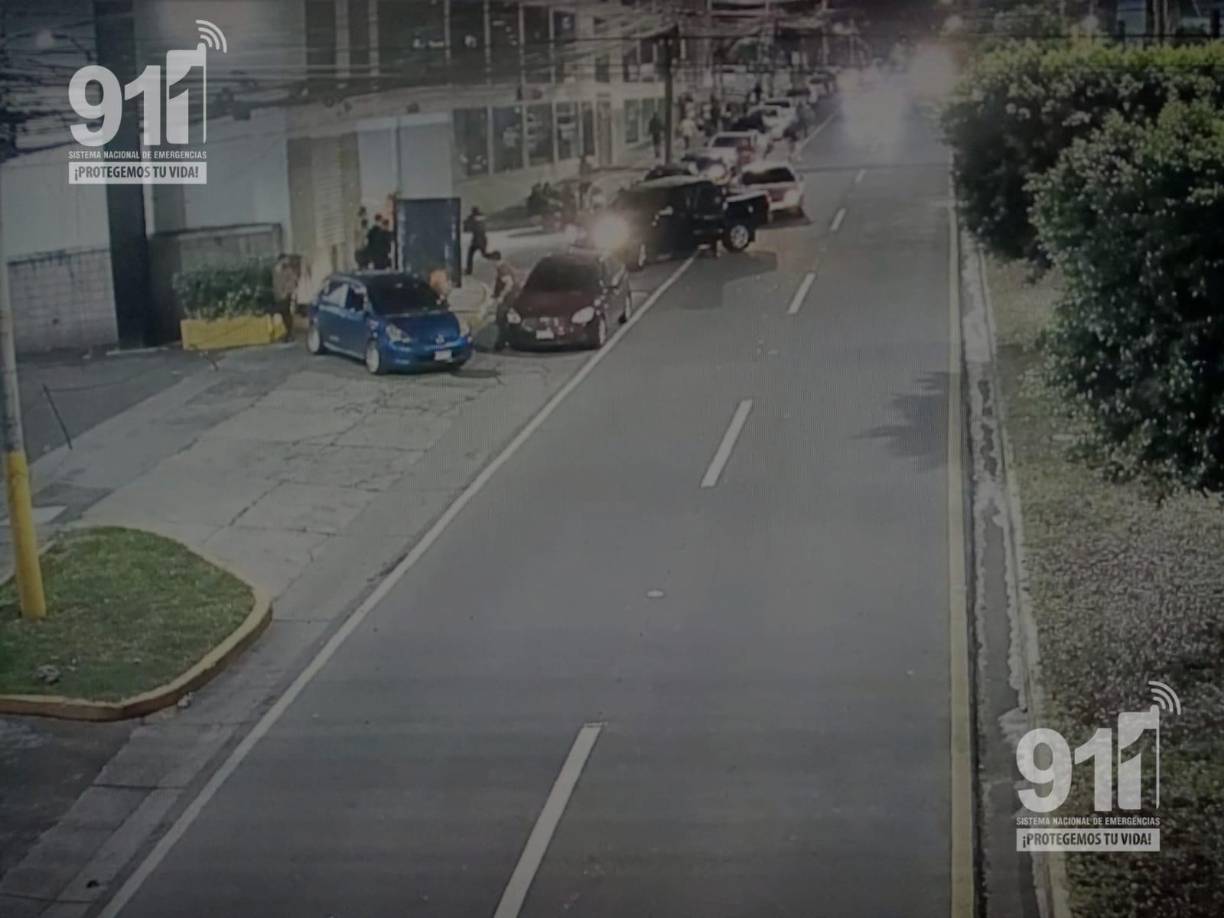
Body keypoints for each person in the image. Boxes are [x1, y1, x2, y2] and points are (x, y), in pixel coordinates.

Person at [491, 253, 521, 351]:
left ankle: (501, 342)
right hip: (515, 296)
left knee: (501, 319)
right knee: (509, 319)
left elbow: (509, 283)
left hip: (508, 298)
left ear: (495, 261)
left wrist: (501, 296)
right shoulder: (507, 266)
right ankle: (510, 339)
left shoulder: (502, 269)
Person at [463, 206, 493, 275]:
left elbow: (466, 228)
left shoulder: (472, 218)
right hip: (483, 239)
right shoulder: (482, 217)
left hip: (476, 240)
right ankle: (495, 256)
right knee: (484, 254)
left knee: (470, 255)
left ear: (473, 212)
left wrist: (466, 222)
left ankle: (469, 271)